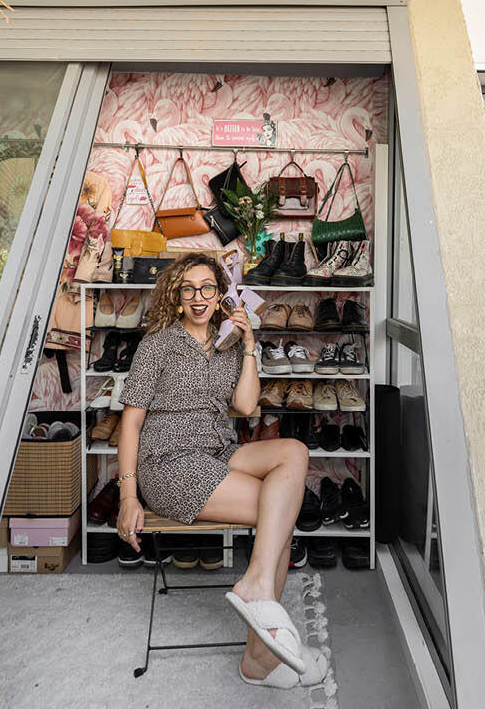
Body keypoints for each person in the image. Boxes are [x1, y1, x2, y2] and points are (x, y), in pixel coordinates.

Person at [114, 252, 328, 689]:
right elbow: (131, 422)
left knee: (295, 452)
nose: (198, 297)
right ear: (176, 298)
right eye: (188, 289)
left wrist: (249, 343)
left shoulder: (228, 345)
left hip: (217, 449)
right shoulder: (157, 344)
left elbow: (247, 406)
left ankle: (256, 593)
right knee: (281, 518)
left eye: (207, 288)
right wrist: (127, 496)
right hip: (169, 461)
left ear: (220, 295)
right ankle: (258, 654)